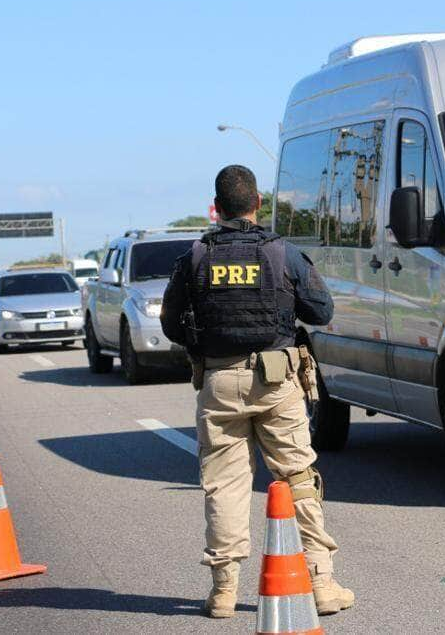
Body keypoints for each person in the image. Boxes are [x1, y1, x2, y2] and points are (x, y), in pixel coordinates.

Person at [160, 164, 353, 619]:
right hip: (276, 380)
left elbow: (171, 324)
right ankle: (321, 583)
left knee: (224, 487)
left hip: (219, 380)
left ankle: (223, 592)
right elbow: (321, 311)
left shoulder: (195, 257)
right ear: (258, 204)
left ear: (216, 207)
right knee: (297, 478)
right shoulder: (281, 254)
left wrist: (205, 344)